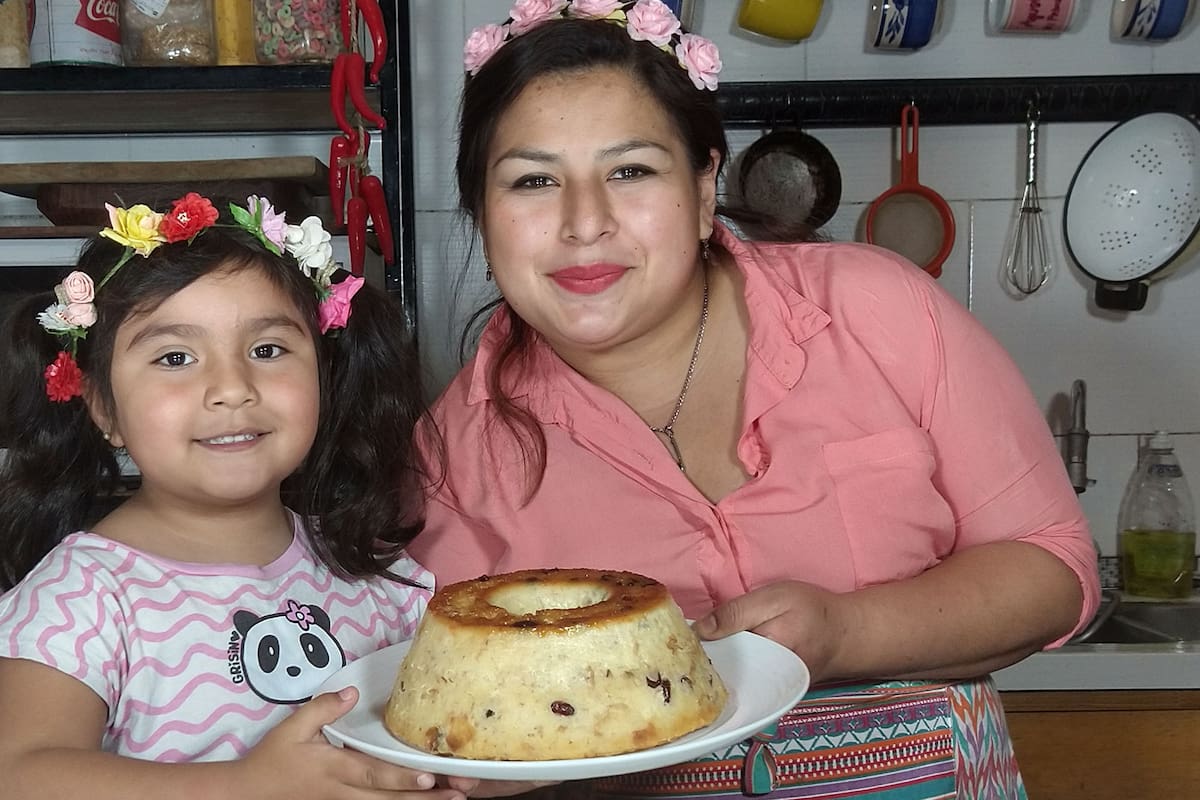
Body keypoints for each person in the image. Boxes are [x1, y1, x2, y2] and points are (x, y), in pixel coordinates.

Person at [408, 2, 1102, 798]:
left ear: (704, 188)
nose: (584, 223)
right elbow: (453, 719)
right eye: (533, 180)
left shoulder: (878, 310)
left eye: (631, 170)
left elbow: (1054, 567)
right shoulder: (449, 457)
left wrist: (846, 633)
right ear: (480, 214)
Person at [0, 193, 474, 799]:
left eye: (268, 350)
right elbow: (19, 773)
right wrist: (247, 785)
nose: (231, 388)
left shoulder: (374, 575)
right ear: (103, 409)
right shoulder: (82, 598)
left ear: (323, 377)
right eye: (175, 357)